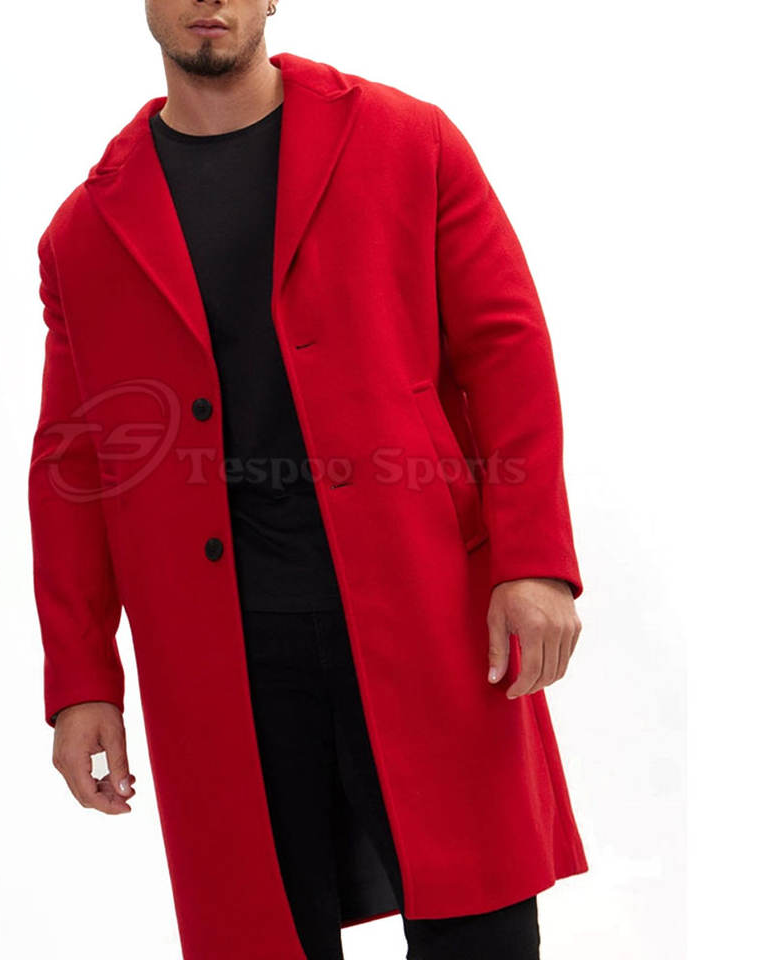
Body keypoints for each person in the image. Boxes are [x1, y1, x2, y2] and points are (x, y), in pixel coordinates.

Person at [29, 2, 587, 958]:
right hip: (223, 652)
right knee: (260, 934)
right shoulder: (84, 233)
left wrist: (533, 561)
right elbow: (71, 470)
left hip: (426, 606)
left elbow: (505, 349)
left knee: (480, 925)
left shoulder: (407, 140)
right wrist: (83, 681)